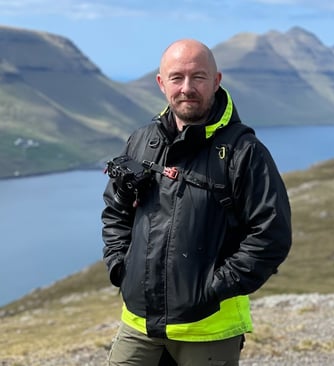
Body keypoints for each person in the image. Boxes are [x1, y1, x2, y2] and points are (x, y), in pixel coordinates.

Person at [101, 38, 292, 366]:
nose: (187, 87)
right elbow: (116, 210)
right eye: (176, 78)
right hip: (139, 322)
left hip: (209, 328)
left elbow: (271, 235)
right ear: (162, 84)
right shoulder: (141, 142)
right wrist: (121, 266)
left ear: (216, 82)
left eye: (198, 77)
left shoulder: (245, 153)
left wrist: (212, 289)